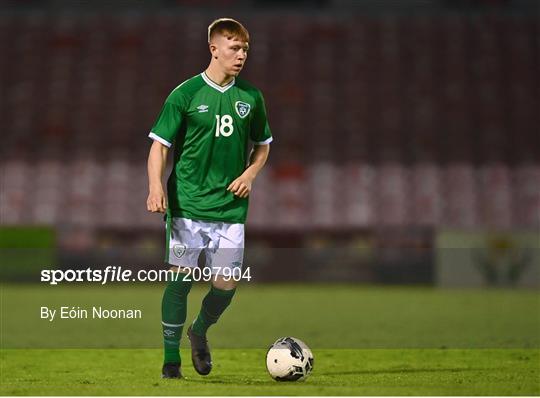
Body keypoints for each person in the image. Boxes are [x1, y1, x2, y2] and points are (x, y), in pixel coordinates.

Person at [146, 18, 272, 379]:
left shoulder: (251, 96)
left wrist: (248, 174)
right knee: (181, 278)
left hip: (230, 209)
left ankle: (198, 331)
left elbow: (262, 147)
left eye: (245, 48)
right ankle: (171, 361)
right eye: (234, 47)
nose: (242, 54)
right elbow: (159, 146)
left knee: (226, 285)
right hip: (188, 205)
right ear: (213, 49)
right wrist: (155, 186)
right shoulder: (184, 94)